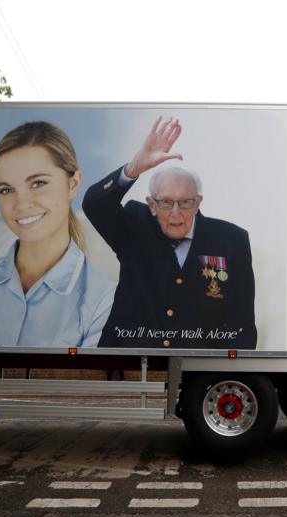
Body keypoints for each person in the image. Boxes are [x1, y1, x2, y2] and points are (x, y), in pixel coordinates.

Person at [82, 117, 257, 349]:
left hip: (194, 369)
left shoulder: (231, 240)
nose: (176, 212)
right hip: (127, 365)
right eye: (166, 202)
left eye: (185, 202)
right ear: (152, 204)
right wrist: (134, 168)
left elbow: (241, 320)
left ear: (197, 203)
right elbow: (94, 205)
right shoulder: (134, 225)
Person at [0, 121, 116, 347]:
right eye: (6, 190)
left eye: (38, 183)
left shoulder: (105, 300)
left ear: (73, 184)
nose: (21, 203)